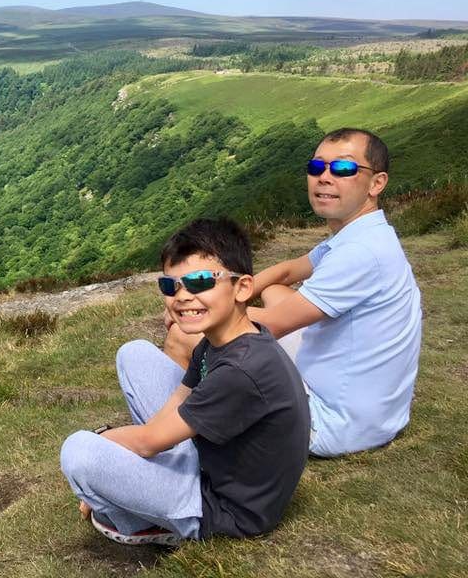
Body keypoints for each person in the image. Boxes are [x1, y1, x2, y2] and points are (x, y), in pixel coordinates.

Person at [164, 128, 422, 457]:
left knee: (184, 337)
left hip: (332, 423)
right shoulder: (361, 234)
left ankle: (175, 441)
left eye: (343, 169)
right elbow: (287, 271)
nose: (325, 177)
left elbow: (273, 323)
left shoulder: (361, 254)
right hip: (375, 413)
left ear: (377, 183)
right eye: (316, 167)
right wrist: (228, 289)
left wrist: (188, 307)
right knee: (274, 290)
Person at [60, 218, 309, 545]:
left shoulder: (242, 370)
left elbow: (148, 441)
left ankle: (139, 523)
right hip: (213, 464)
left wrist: (103, 442)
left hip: (226, 510)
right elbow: (178, 401)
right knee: (134, 353)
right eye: (170, 286)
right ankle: (140, 490)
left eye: (201, 281)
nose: (183, 296)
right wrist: (134, 449)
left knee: (79, 452)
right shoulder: (221, 340)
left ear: (243, 288)